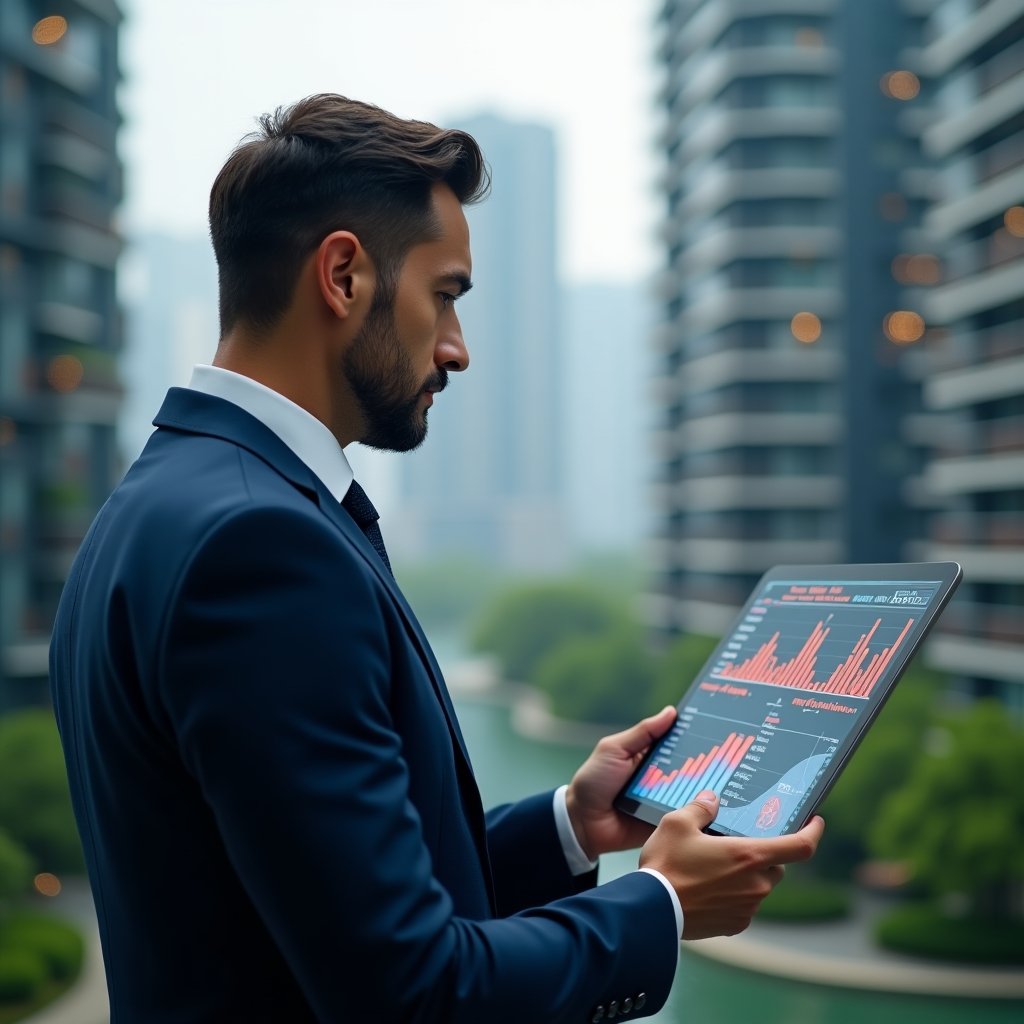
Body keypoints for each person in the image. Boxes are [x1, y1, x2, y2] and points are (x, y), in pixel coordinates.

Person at [50, 94, 823, 1023]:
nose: (456, 348)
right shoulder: (260, 547)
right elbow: (411, 992)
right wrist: (659, 904)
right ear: (343, 275)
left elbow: (320, 901)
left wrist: (569, 828)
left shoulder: (156, 503)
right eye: (446, 294)